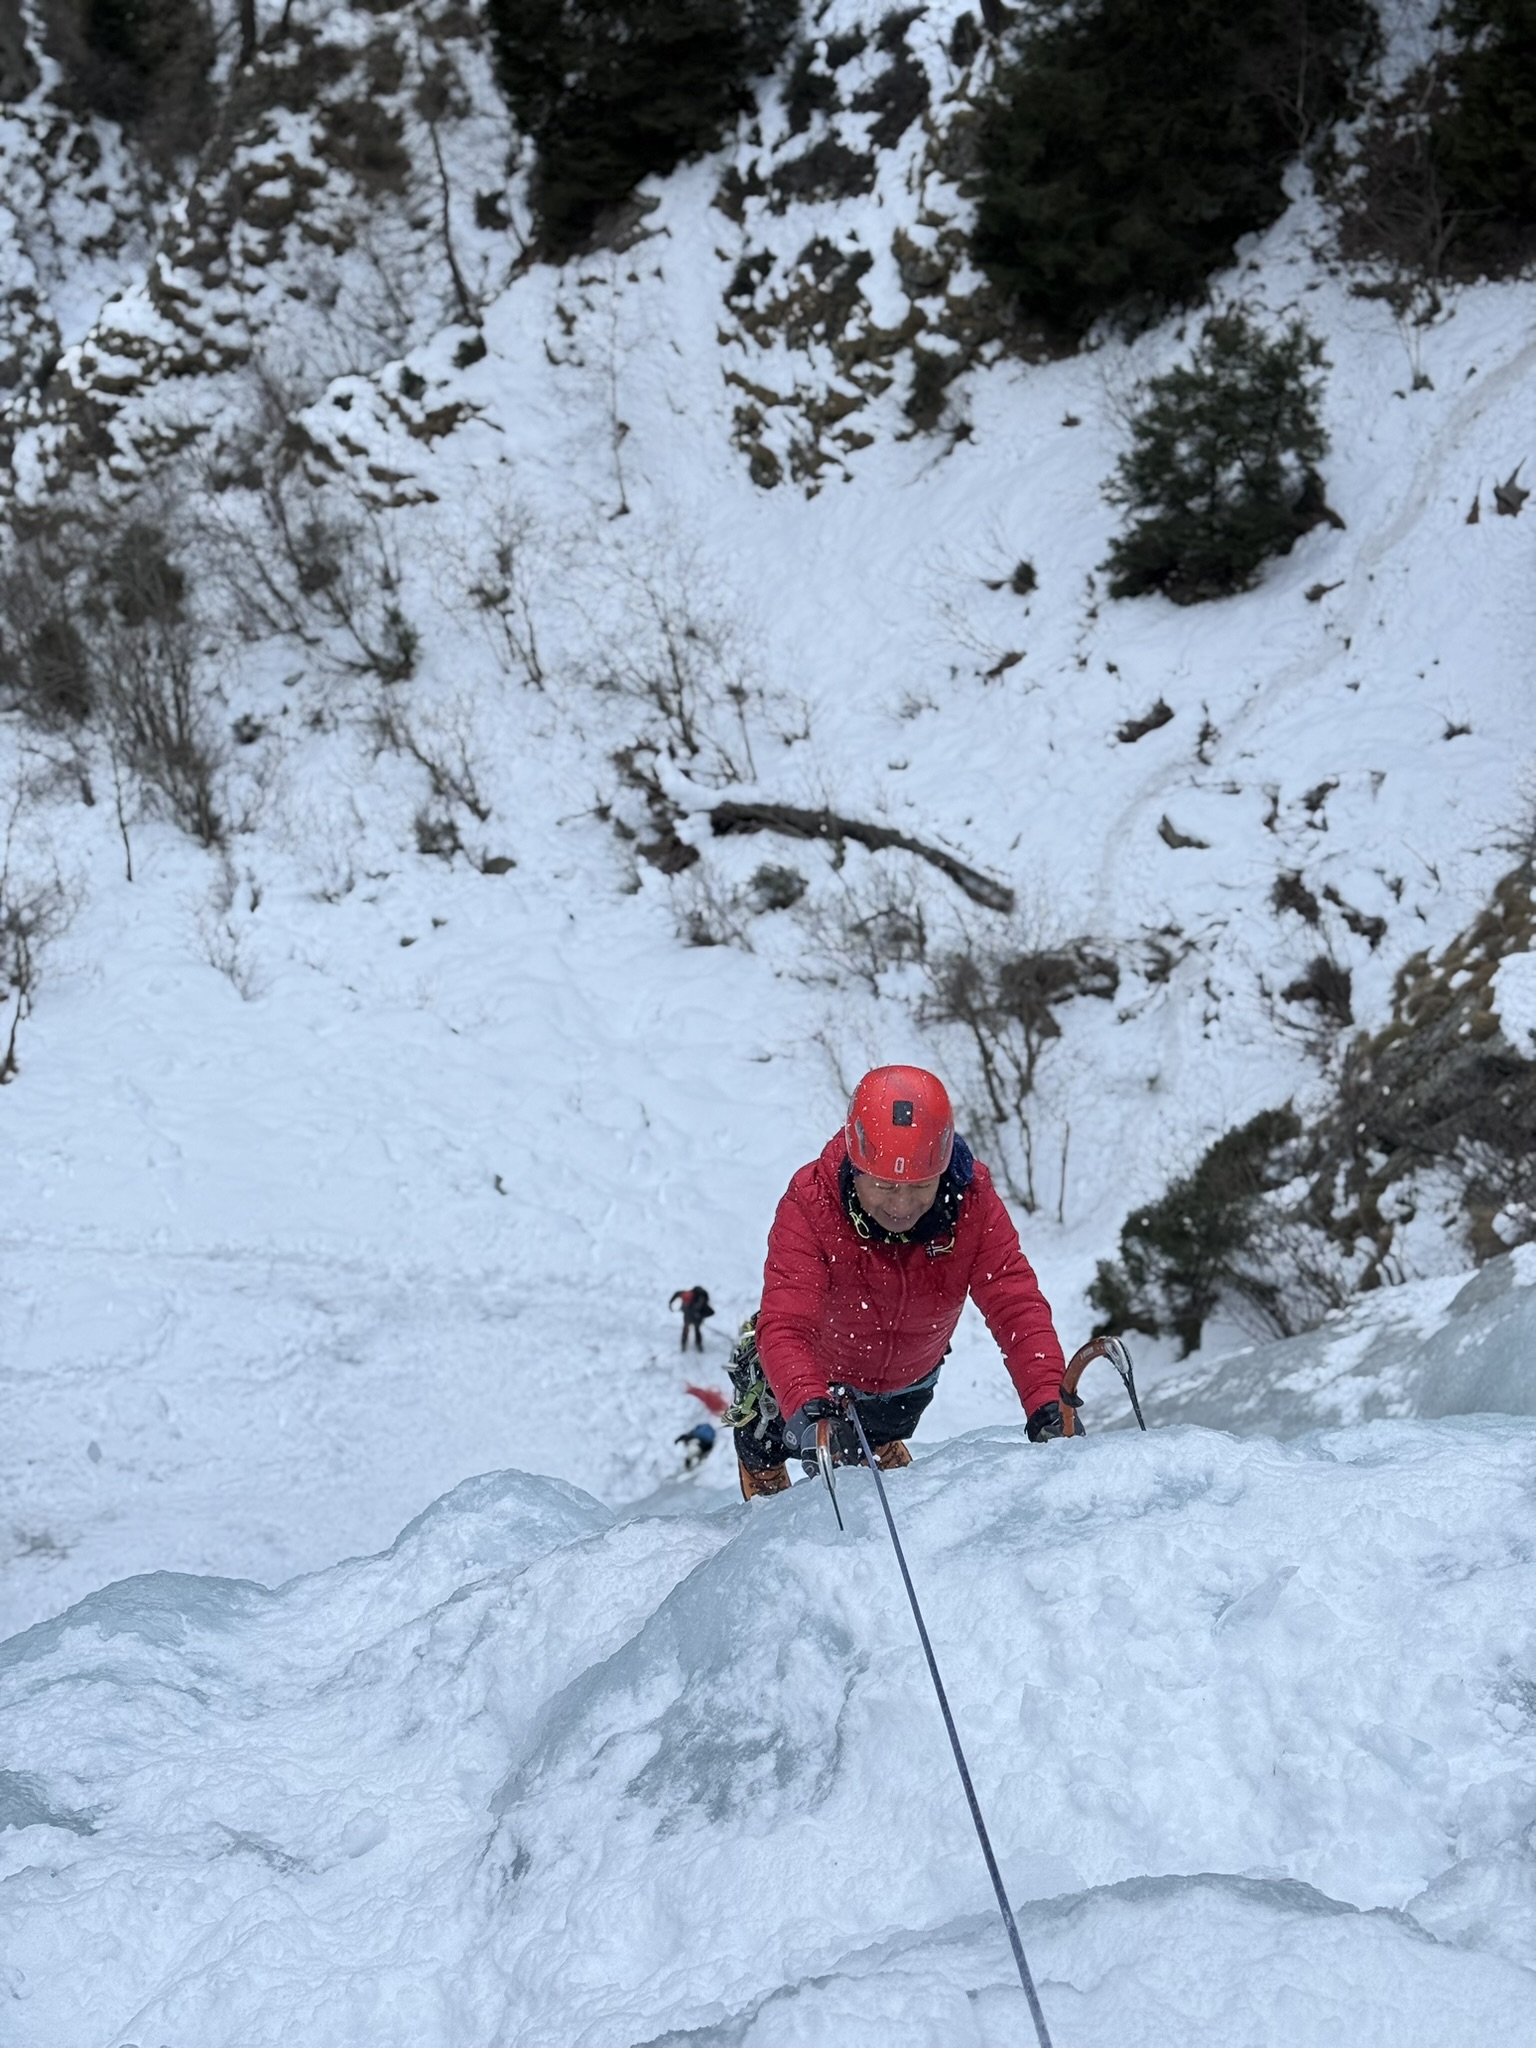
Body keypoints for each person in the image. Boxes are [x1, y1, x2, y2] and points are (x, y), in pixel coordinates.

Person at [730, 1064, 1071, 1500]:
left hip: (906, 1382)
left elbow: (1014, 1302)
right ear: (856, 1165)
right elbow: (787, 1324)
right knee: (767, 1433)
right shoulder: (812, 1202)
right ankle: (767, 1465)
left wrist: (1047, 1399)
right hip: (815, 1377)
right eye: (885, 1187)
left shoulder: (972, 1203)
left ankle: (875, 1443)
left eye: (921, 1185)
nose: (903, 1205)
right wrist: (807, 1404)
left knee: (874, 1434)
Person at [668, 1285, 715, 1352]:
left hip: (695, 1318)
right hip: (690, 1316)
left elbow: (711, 1312)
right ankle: (687, 1345)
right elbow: (677, 1293)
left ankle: (695, 1345)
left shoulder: (700, 1300)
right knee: (689, 1329)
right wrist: (671, 1302)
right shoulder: (688, 1295)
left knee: (694, 1329)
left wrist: (700, 1315)